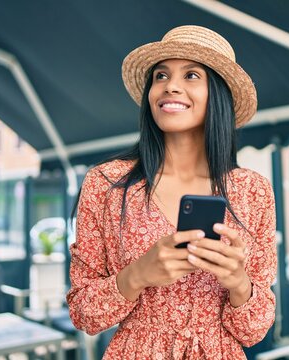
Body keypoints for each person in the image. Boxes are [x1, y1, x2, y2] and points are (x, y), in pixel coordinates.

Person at [67, 25, 277, 359]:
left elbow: (253, 331)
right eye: (161, 76)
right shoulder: (106, 183)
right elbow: (83, 314)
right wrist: (137, 274)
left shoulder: (254, 191)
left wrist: (238, 282)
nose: (171, 86)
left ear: (218, 94)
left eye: (192, 75)